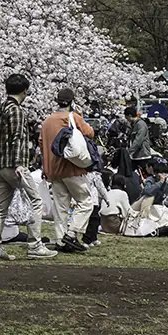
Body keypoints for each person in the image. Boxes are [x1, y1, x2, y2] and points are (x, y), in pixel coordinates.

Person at [0, 74, 56, 260]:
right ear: (25, 90)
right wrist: (18, 163)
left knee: (1, 208)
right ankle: (35, 245)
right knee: (37, 201)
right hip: (14, 165)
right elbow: (17, 137)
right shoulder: (16, 110)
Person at [40, 88, 96, 253]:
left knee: (60, 207)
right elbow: (90, 133)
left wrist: (45, 168)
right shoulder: (73, 117)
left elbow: (42, 146)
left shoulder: (47, 121)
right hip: (72, 168)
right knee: (85, 202)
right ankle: (72, 234)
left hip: (53, 170)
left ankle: (60, 239)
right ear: (72, 101)